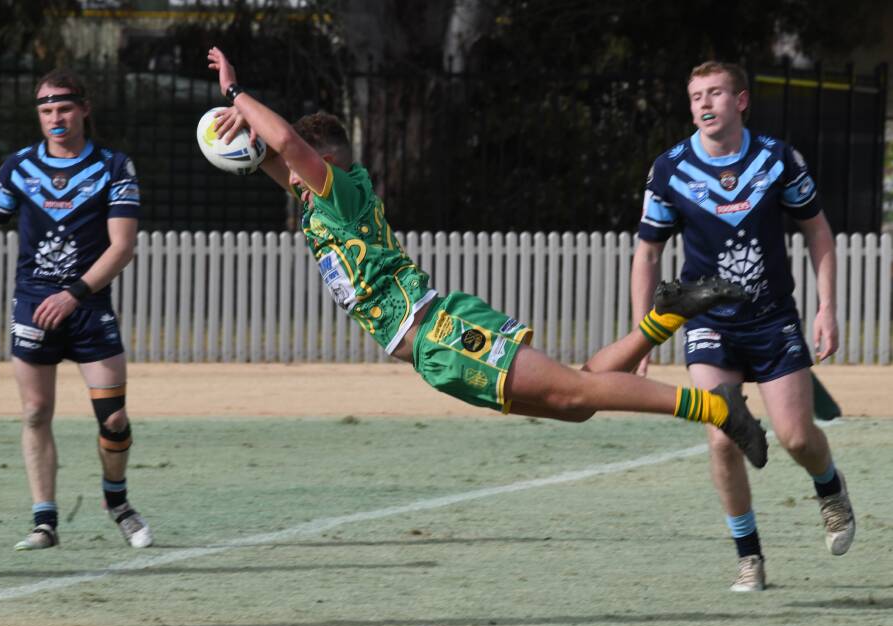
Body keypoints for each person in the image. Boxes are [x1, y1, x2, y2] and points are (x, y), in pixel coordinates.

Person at [204, 47, 768, 470]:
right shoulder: (318, 198)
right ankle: (666, 314)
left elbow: (285, 147)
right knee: (578, 403)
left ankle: (717, 408)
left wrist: (237, 95)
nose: (291, 180)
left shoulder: (340, 192)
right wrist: (240, 131)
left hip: (439, 332)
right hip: (433, 347)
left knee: (575, 391)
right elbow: (274, 157)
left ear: (322, 161)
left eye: (301, 170)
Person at [0, 68, 153, 552]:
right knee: (36, 412)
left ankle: (117, 501)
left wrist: (74, 293)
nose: (55, 118)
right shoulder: (18, 167)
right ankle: (44, 521)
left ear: (84, 110)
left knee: (114, 419)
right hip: (34, 304)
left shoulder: (114, 166)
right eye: (46, 110)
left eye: (64, 109)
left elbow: (122, 248)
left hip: (87, 303)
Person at [631, 61, 854, 591]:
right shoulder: (670, 169)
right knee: (722, 438)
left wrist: (827, 308)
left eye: (715, 94)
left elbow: (818, 232)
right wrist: (645, 333)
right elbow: (647, 254)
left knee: (798, 438)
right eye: (695, 97)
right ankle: (749, 556)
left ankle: (830, 489)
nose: (704, 104)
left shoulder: (778, 160)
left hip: (773, 320)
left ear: (741, 101)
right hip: (709, 324)